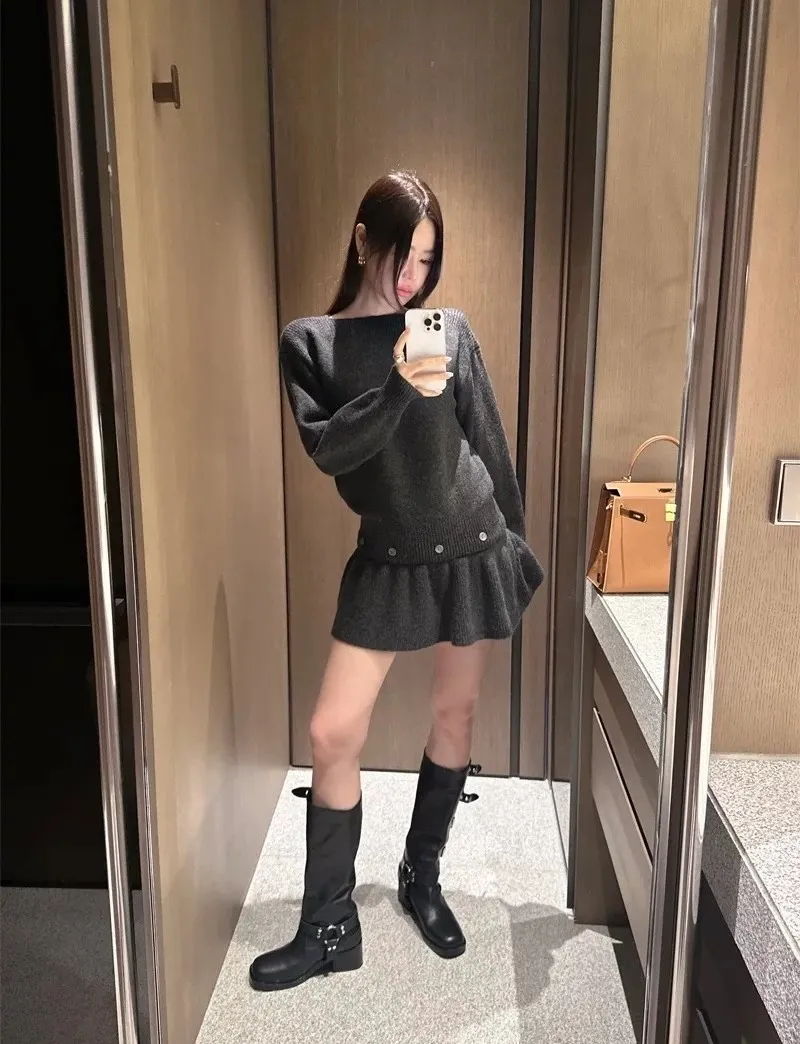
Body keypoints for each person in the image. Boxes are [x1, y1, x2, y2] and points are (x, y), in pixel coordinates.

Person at [249, 170, 543, 992]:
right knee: (332, 733)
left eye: (427, 260)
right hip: (386, 557)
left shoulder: (447, 329)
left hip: (473, 542)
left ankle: (422, 875)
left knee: (455, 712)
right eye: (401, 255)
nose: (413, 277)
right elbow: (330, 451)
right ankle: (330, 927)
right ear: (361, 240)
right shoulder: (311, 343)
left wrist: (517, 544)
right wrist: (396, 387)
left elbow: (487, 438)